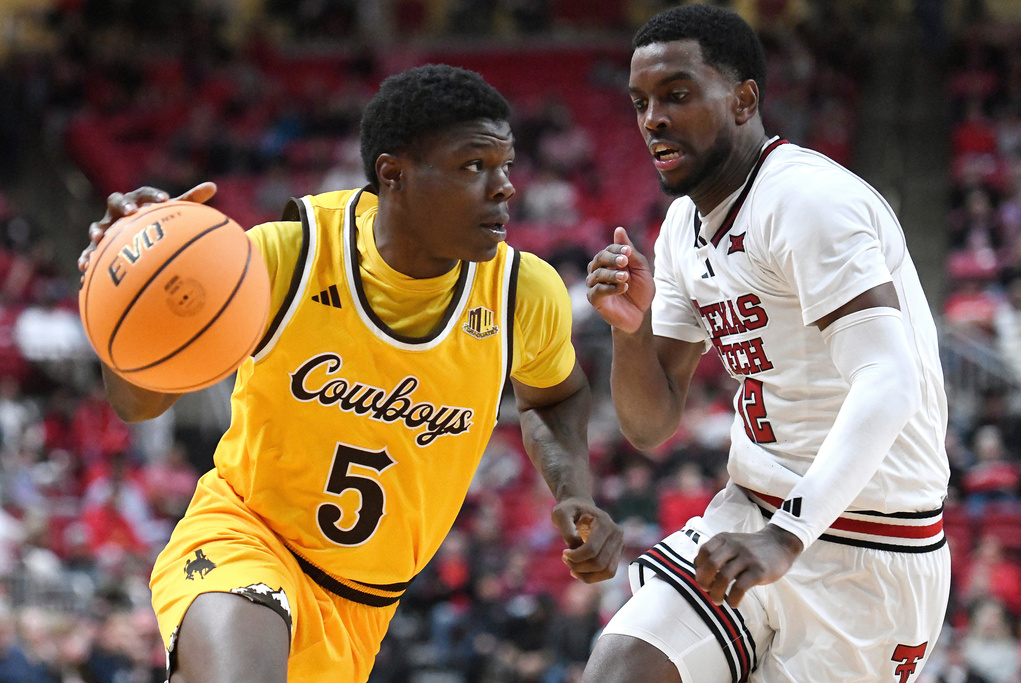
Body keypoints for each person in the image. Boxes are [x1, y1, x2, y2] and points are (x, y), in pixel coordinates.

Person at [77, 64, 624, 683]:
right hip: (245, 539)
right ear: (394, 175)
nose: (504, 188)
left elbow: (555, 399)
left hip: (365, 606)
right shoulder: (287, 256)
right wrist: (130, 289)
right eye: (474, 166)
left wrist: (574, 490)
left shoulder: (523, 294)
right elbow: (138, 404)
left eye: (505, 166)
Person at [582, 6, 950, 683]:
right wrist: (628, 331)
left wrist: (788, 535)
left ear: (744, 98)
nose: (652, 119)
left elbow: (890, 380)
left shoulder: (808, 200)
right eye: (640, 102)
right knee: (620, 670)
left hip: (870, 547)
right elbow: (649, 423)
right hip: (751, 512)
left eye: (677, 95)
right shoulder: (682, 225)